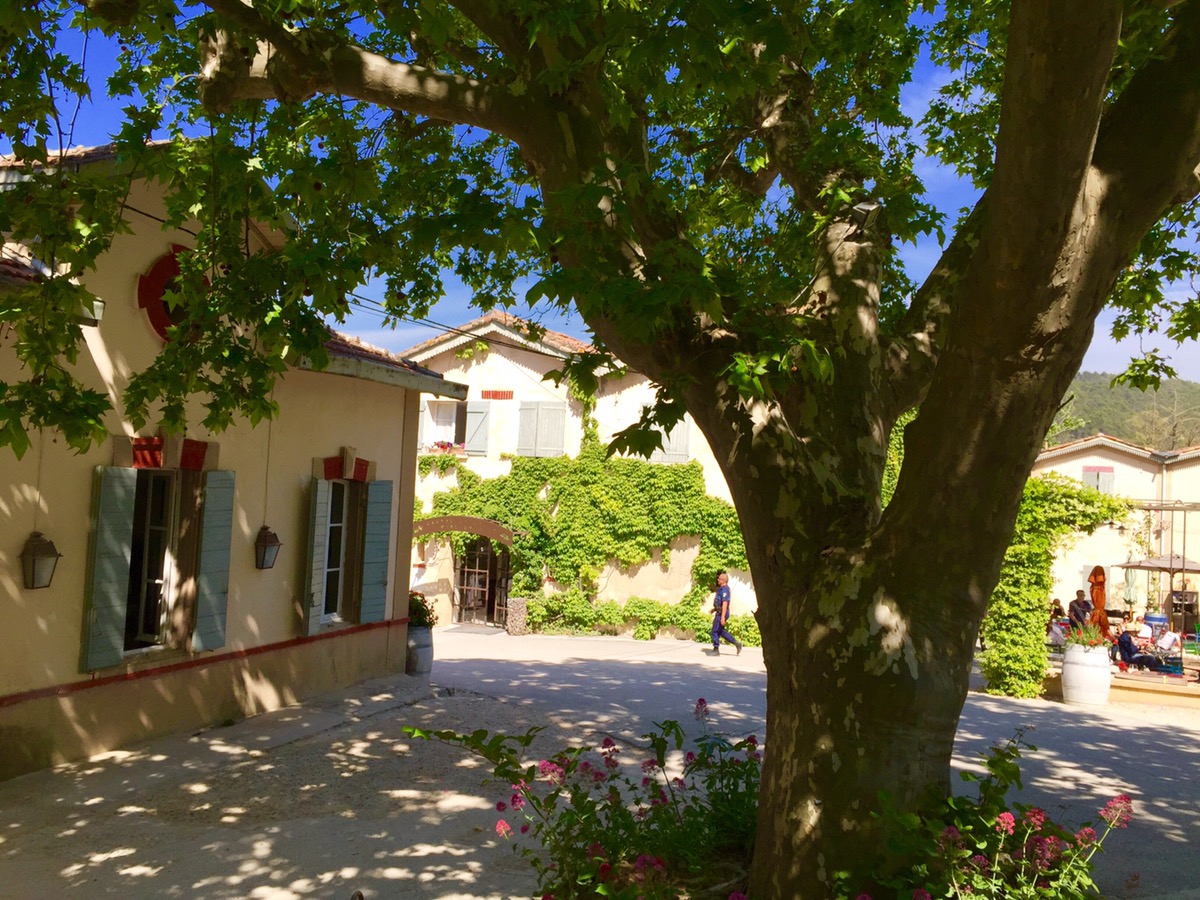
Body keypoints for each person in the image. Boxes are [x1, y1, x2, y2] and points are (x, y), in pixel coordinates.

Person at [709, 573, 743, 656]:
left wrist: (723, 617)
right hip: (720, 612)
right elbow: (720, 603)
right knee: (720, 631)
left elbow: (725, 603)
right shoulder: (721, 589)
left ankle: (716, 650)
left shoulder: (725, 590)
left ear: (723, 580)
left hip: (722, 613)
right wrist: (714, 609)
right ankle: (737, 643)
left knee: (715, 630)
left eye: (719, 579)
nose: (718, 580)